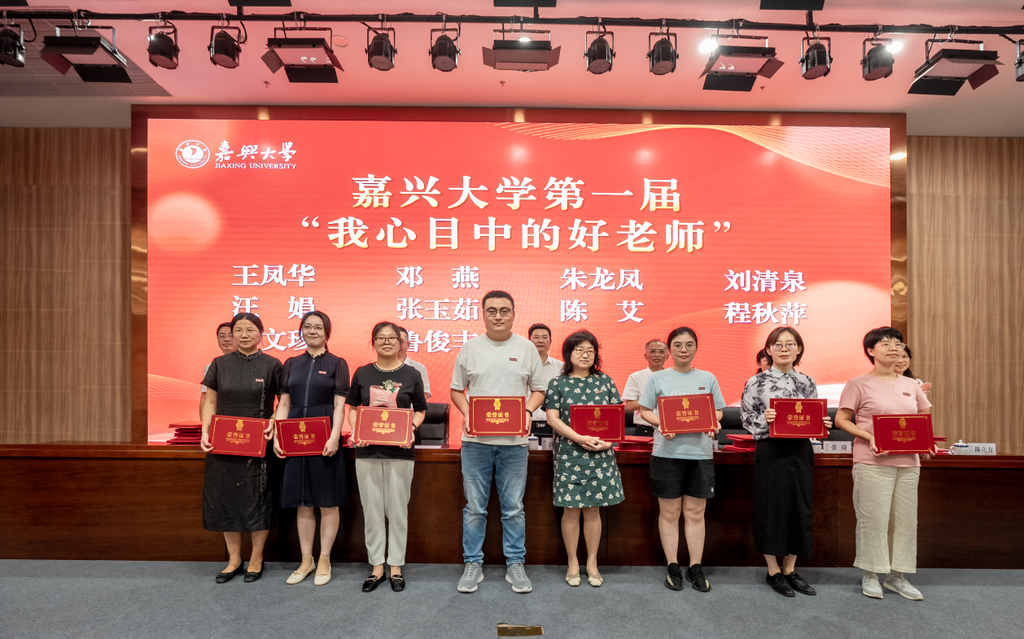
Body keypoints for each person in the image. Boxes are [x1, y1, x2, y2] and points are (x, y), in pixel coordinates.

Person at [451, 290, 545, 594]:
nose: (498, 316)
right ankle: (473, 564)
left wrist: (527, 412)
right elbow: (456, 390)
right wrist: (468, 412)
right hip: (475, 443)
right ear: (483, 314)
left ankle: (515, 563)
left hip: (515, 444)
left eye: (504, 310)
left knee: (514, 509)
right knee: (475, 509)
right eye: (491, 310)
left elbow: (539, 390)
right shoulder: (470, 348)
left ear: (514, 314)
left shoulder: (527, 348)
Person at [835, 327, 933, 601]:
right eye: (886, 343)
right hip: (872, 461)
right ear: (871, 350)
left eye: (898, 343)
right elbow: (841, 420)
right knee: (873, 520)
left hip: (909, 463)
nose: (894, 348)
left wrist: (926, 441)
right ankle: (870, 574)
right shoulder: (858, 384)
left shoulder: (911, 385)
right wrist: (870, 436)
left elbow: (923, 415)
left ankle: (896, 576)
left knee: (904, 521)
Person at [740, 327, 831, 597]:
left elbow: (812, 417)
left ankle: (790, 569)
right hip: (771, 450)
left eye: (790, 344)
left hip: (800, 450)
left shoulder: (807, 382)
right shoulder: (756, 382)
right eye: (777, 345)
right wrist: (764, 419)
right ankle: (773, 571)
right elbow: (746, 418)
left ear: (798, 349)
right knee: (771, 507)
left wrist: (822, 424)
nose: (784, 349)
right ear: (769, 350)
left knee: (799, 507)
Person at [638, 326, 724, 593]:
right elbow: (644, 410)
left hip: (700, 455)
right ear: (669, 350)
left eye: (689, 345)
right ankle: (672, 565)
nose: (683, 350)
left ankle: (695, 567)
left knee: (696, 513)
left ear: (696, 348)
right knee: (670, 513)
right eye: (677, 345)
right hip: (667, 454)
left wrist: (714, 422)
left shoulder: (708, 377)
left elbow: (718, 412)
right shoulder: (658, 378)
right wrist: (661, 423)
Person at [199, 313, 283, 584]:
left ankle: (257, 557)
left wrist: (273, 421)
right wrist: (205, 431)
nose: (244, 335)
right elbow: (210, 401)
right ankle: (234, 559)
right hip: (223, 444)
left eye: (250, 330)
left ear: (261, 334)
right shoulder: (219, 364)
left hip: (259, 444)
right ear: (232, 334)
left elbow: (284, 402)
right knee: (227, 498)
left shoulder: (273, 365)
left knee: (259, 498)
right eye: (238, 330)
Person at [347, 321, 427, 593]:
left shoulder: (412, 374)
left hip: (400, 452)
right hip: (367, 451)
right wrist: (357, 430)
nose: (387, 342)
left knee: (397, 510)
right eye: (380, 338)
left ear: (400, 343)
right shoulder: (362, 372)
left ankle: (396, 566)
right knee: (371, 510)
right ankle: (376, 566)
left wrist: (411, 428)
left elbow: (420, 410)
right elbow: (353, 408)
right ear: (373, 343)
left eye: (392, 338)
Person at [272, 311, 350, 587]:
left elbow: (340, 405)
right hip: (294, 436)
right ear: (301, 331)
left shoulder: (337, 363)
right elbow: (283, 403)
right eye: (307, 326)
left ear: (327, 332)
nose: (312, 331)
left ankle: (325, 559)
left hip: (324, 435)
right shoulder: (291, 363)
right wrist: (278, 436)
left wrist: (335, 435)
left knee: (327, 501)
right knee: (303, 501)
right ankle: (307, 560)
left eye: (318, 327)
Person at [544, 330, 624, 588]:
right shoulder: (558, 383)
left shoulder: (606, 381)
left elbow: (617, 417)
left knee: (593, 509)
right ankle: (572, 562)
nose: (585, 354)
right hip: (570, 454)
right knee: (571, 509)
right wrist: (578, 438)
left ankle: (592, 563)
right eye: (579, 349)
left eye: (590, 350)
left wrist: (608, 442)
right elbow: (552, 418)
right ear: (568, 353)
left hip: (600, 454)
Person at [622, 339, 668, 436]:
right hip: (644, 431)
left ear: (667, 356)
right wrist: (654, 399)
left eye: (661, 352)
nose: (657, 355)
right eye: (653, 351)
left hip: (668, 429)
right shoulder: (636, 377)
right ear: (646, 356)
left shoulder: (673, 377)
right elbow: (630, 406)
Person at [528, 323, 563, 436]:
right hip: (526, 422)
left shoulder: (561, 368)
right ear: (529, 341)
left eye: (544, 337)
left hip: (553, 425)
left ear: (550, 342)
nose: (540, 341)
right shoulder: (520, 367)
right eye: (536, 337)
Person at [200, 322, 236, 418]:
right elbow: (205, 398)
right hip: (219, 420)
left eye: (231, 335)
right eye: (222, 336)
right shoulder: (212, 366)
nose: (226, 339)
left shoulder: (251, 364)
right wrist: (204, 424)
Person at [397, 326, 431, 400]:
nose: (398, 345)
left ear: (408, 345)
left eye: (401, 341)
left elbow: (422, 398)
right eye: (395, 341)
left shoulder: (419, 368)